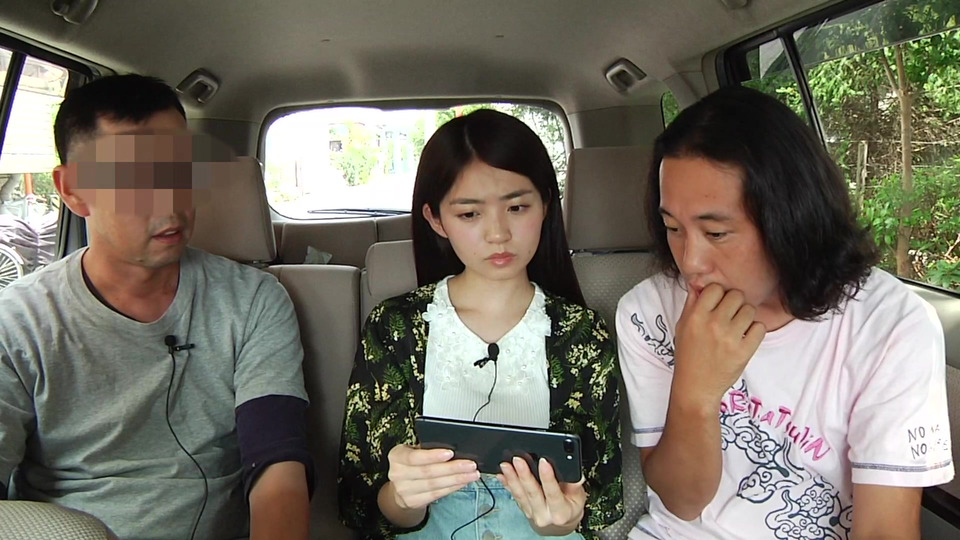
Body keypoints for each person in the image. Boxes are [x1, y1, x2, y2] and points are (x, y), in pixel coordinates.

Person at [617, 85, 954, 540]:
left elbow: (883, 530)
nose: (690, 262)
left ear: (791, 219)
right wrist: (695, 392)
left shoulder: (890, 326)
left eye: (716, 234)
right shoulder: (648, 312)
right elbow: (682, 502)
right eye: (673, 228)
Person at [0, 74, 314, 540]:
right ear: (72, 190)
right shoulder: (18, 321)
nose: (170, 203)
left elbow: (277, 465)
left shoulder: (252, 301)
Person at [338, 109, 623, 539]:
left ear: (546, 204)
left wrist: (560, 521)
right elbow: (361, 503)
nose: (498, 234)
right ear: (436, 220)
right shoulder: (395, 328)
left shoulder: (582, 333)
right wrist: (402, 498)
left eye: (517, 207)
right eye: (470, 214)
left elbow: (597, 503)